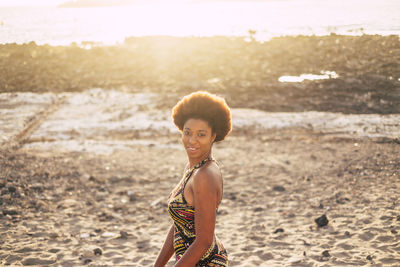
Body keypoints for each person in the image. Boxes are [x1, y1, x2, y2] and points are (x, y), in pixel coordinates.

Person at [154, 91, 231, 267]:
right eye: (187, 132)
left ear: (213, 136)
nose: (192, 140)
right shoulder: (194, 169)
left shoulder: (205, 175)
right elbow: (180, 224)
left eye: (201, 134)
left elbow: (203, 241)